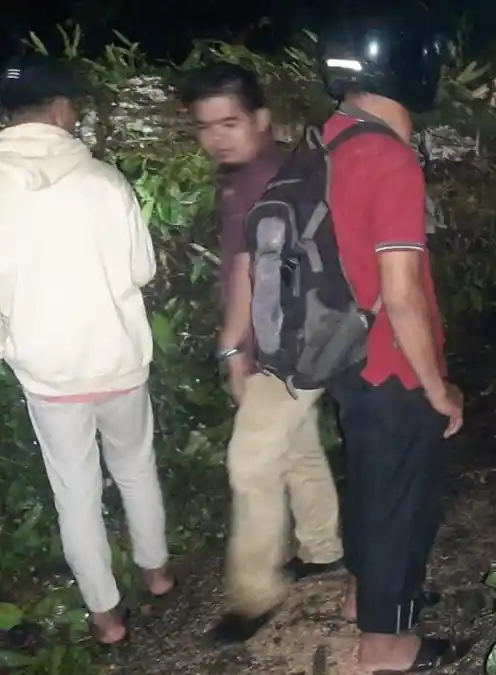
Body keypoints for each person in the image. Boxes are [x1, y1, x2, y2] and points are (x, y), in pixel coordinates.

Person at [0, 55, 173, 644]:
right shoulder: (105, 181)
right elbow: (142, 269)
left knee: (74, 492)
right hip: (117, 357)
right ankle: (157, 573)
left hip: (48, 372)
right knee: (135, 468)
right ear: (60, 111)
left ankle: (105, 618)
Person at [316, 9, 468, 672]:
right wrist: (439, 388)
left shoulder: (332, 137)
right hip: (389, 360)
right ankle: (386, 644)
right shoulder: (388, 157)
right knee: (401, 499)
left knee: (373, 483)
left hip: (344, 350)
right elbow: (402, 293)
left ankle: (367, 595)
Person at [179, 64, 346, 644]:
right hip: (301, 340)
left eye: (230, 122)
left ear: (261, 120)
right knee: (294, 446)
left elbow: (249, 269)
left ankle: (255, 595)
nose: (217, 137)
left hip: (287, 347)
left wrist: (232, 350)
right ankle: (323, 550)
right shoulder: (257, 170)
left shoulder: (262, 180)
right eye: (205, 126)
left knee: (249, 464)